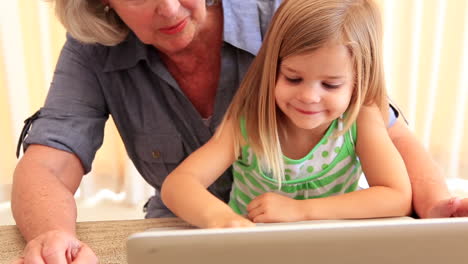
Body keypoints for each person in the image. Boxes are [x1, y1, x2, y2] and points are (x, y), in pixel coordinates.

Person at [10, 0, 467, 263]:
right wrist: (52, 236)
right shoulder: (248, 118)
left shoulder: (290, 15)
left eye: (327, 84)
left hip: (320, 229)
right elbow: (51, 158)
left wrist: (437, 206)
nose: (169, 7)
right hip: (211, 228)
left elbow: (392, 135)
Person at [161, 0, 413, 227]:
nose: (308, 96)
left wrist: (301, 211)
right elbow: (179, 184)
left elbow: (396, 196)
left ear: (358, 82)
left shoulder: (361, 117)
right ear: (272, 70)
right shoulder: (250, 121)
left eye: (330, 85)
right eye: (293, 78)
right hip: (253, 248)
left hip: (330, 247)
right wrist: (221, 218)